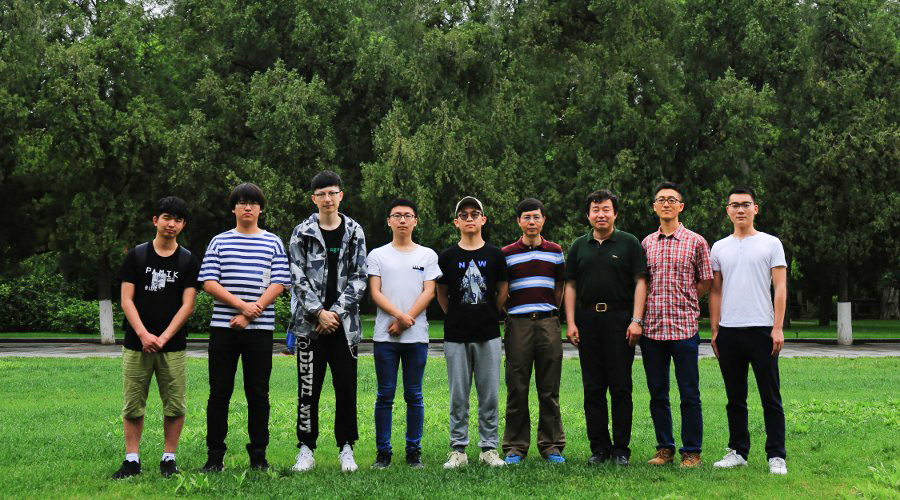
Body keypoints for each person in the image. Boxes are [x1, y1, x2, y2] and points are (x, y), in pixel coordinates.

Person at [198, 183, 290, 471]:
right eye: (241, 202)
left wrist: (252, 313)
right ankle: (215, 456)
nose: (247, 207)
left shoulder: (273, 242)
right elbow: (209, 282)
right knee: (219, 393)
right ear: (233, 209)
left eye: (253, 203)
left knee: (258, 393)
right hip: (223, 328)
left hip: (260, 331)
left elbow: (279, 282)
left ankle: (259, 455)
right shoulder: (219, 242)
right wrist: (241, 307)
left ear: (261, 209)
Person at [113, 197, 200, 479]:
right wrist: (143, 334)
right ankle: (132, 459)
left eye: (177, 219)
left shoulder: (187, 260)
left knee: (175, 404)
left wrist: (163, 337)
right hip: (136, 344)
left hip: (172, 346)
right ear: (155, 220)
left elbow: (188, 305)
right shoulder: (137, 256)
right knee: (133, 403)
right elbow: (126, 300)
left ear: (183, 225)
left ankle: (168, 458)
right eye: (166, 217)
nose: (171, 224)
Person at [289, 170, 368, 473]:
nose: (327, 199)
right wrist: (318, 313)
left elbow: (360, 277)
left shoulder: (354, 231)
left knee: (346, 389)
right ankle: (306, 448)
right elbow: (296, 277)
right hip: (310, 327)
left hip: (344, 328)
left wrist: (334, 313)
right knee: (308, 389)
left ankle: (346, 447)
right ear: (314, 199)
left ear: (341, 196)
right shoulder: (302, 232)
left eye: (332, 193)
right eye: (321, 194)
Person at [564, 189, 647, 466]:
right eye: (595, 210)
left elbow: (640, 282)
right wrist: (571, 322)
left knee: (621, 386)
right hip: (587, 320)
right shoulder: (579, 245)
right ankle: (599, 448)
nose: (601, 215)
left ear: (615, 214)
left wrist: (636, 320)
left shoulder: (629, 243)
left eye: (606, 209)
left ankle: (621, 449)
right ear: (588, 215)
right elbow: (570, 285)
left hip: (620, 320)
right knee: (593, 387)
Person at [709, 187, 788, 475]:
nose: (740, 210)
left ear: (756, 208)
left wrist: (777, 327)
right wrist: (715, 330)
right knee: (735, 397)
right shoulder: (719, 247)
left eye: (745, 204)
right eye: (734, 205)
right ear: (727, 211)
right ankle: (738, 451)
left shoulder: (770, 243)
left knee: (771, 397)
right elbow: (715, 291)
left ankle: (776, 455)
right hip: (729, 331)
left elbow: (780, 287)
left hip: (762, 330)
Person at [640, 182, 713, 468]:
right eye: (661, 200)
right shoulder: (646, 243)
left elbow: (705, 280)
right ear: (654, 207)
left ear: (681, 206)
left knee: (689, 394)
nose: (666, 204)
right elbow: (642, 283)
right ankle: (664, 449)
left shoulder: (696, 242)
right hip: (653, 330)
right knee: (658, 394)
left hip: (684, 329)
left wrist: (687, 297)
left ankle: (691, 451)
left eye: (672, 200)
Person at [367, 198, 441, 469]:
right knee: (385, 395)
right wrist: (399, 317)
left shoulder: (427, 255)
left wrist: (405, 321)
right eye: (397, 215)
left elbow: (429, 292)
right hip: (385, 337)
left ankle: (413, 452)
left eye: (407, 215)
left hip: (416, 337)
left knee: (414, 395)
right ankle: (383, 453)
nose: (402, 220)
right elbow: (375, 292)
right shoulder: (377, 255)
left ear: (415, 221)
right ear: (389, 221)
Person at [436, 196, 508, 469]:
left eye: (474, 214)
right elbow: (442, 294)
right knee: (458, 396)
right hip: (456, 335)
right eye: (463, 215)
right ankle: (458, 449)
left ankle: (489, 448)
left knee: (489, 395)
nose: (469, 218)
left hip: (488, 334)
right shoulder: (447, 257)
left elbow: (502, 291)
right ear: (456, 222)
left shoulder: (495, 255)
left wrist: (488, 312)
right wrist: (456, 314)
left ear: (483, 220)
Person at [500, 198, 567, 465]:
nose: (532, 222)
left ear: (543, 220)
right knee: (517, 386)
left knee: (549, 388)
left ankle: (551, 445)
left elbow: (559, 288)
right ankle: (515, 446)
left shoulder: (555, 251)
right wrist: (515, 313)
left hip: (548, 322)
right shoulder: (506, 253)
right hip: (519, 324)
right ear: (519, 221)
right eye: (526, 217)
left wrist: (549, 311)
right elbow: (502, 291)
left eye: (536, 217)